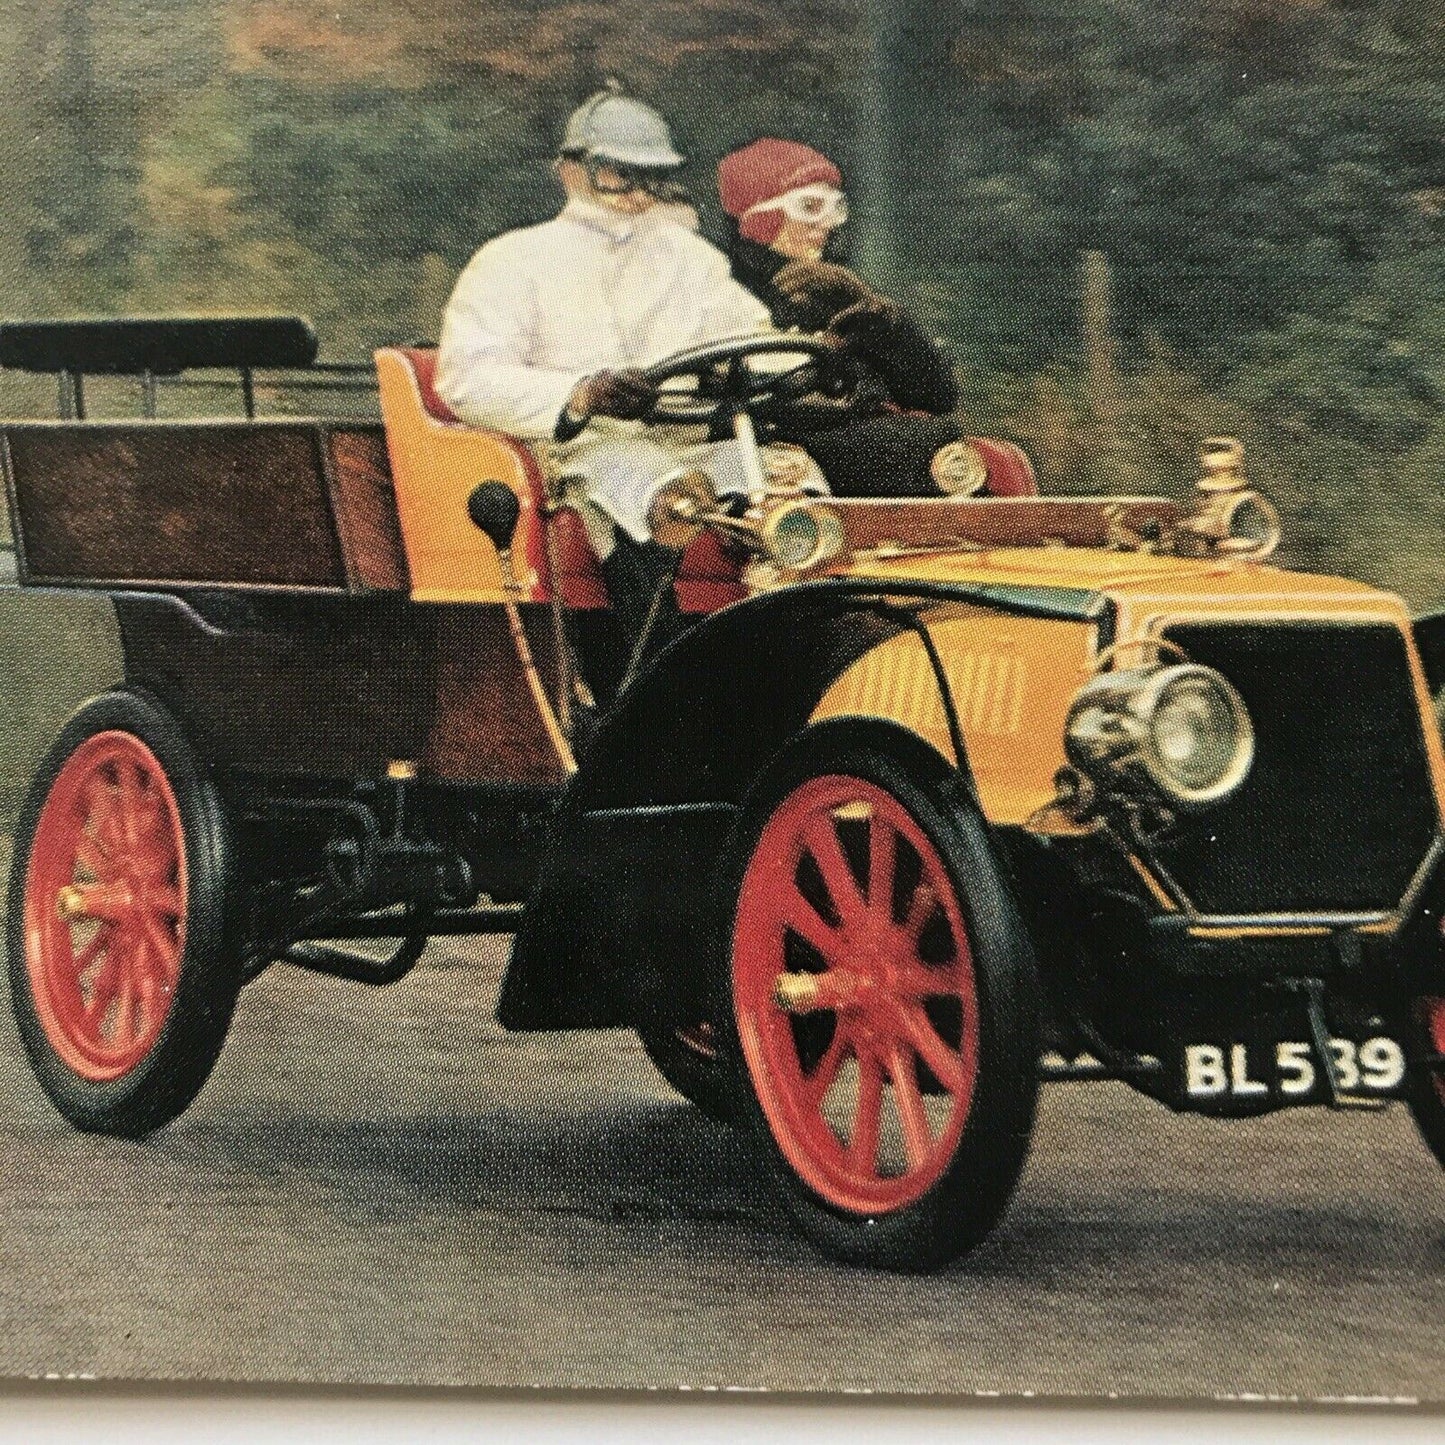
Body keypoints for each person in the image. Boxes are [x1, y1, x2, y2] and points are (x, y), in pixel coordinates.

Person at [435, 89, 773, 645]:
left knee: (787, 482)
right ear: (570, 171)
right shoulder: (512, 261)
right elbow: (468, 379)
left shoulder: (690, 258)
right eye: (619, 175)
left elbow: (752, 338)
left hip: (687, 437)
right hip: (575, 452)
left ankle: (803, 662)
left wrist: (768, 367)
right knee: (657, 490)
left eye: (653, 178)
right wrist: (581, 394)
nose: (639, 194)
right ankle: (648, 682)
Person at [716, 138, 971, 497]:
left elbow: (936, 396)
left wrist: (879, 317)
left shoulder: (833, 286)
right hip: (768, 447)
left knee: (970, 457)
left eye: (836, 208)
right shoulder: (719, 287)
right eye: (809, 207)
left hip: (842, 438)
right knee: (926, 444)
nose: (825, 224)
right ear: (761, 216)